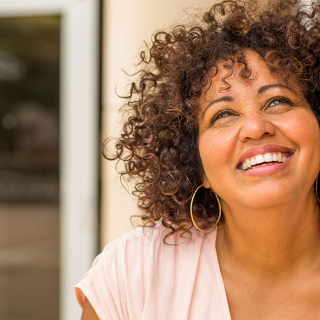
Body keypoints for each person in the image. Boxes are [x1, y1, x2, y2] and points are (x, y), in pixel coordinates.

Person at [76, 0, 320, 319]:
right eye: (223, 115)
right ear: (196, 163)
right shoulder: (133, 274)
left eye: (277, 101)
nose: (256, 127)